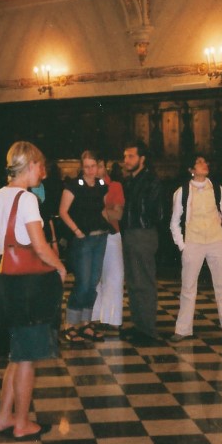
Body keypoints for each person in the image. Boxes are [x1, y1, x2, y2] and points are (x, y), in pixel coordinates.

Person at [0, 141, 66, 440]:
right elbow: (41, 247)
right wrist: (60, 267)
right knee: (27, 357)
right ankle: (22, 423)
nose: (42, 172)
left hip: (7, 282)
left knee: (16, 355)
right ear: (30, 165)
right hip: (31, 286)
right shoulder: (27, 199)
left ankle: (3, 417)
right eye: (40, 166)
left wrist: (9, 259)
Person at [169, 153, 222, 344]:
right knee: (188, 287)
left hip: (216, 242)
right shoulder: (182, 191)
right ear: (191, 170)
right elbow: (175, 221)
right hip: (193, 243)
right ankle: (183, 329)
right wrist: (182, 245)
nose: (204, 164)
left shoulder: (217, 188)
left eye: (205, 161)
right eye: (199, 162)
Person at [58, 150, 109, 344]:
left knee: (93, 282)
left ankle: (86, 323)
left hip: (100, 237)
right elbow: (63, 211)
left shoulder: (101, 185)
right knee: (83, 283)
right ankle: (70, 324)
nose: (90, 170)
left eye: (93, 166)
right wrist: (76, 230)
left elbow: (103, 209)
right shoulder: (73, 185)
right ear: (82, 167)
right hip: (83, 240)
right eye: (86, 167)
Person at [119, 140, 164, 346]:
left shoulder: (150, 181)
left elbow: (157, 212)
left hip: (143, 233)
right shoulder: (130, 180)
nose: (126, 160)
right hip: (130, 232)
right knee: (133, 281)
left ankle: (148, 330)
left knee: (144, 282)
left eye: (131, 156)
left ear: (142, 159)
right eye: (125, 156)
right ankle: (139, 325)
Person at [91, 155, 125, 335]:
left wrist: (97, 211)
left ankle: (112, 319)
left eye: (99, 165)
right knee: (94, 278)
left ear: (105, 167)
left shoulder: (115, 186)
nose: (95, 169)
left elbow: (118, 214)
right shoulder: (86, 187)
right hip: (91, 236)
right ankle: (94, 317)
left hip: (112, 235)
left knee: (114, 276)